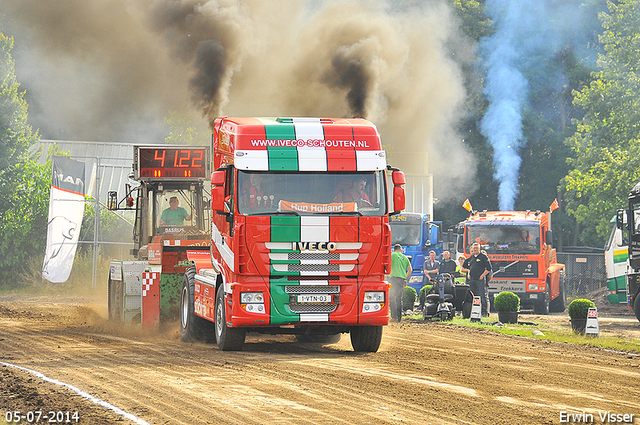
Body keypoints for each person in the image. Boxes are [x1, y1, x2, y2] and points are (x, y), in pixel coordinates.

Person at [460, 242, 492, 317]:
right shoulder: (471, 258)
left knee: (482, 295)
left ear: (479, 248)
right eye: (474, 248)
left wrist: (482, 275)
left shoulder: (483, 257)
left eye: (476, 248)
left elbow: (489, 268)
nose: (475, 249)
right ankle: (470, 311)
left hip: (480, 279)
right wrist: (468, 272)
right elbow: (464, 267)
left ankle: (484, 312)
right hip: (472, 280)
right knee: (470, 295)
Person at [389, 244, 412, 322]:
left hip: (393, 279)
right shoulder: (405, 258)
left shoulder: (392, 255)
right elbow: (410, 270)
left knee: (392, 298)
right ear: (401, 250)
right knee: (399, 299)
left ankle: (394, 317)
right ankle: (399, 318)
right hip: (401, 280)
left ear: (394, 249)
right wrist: (405, 279)